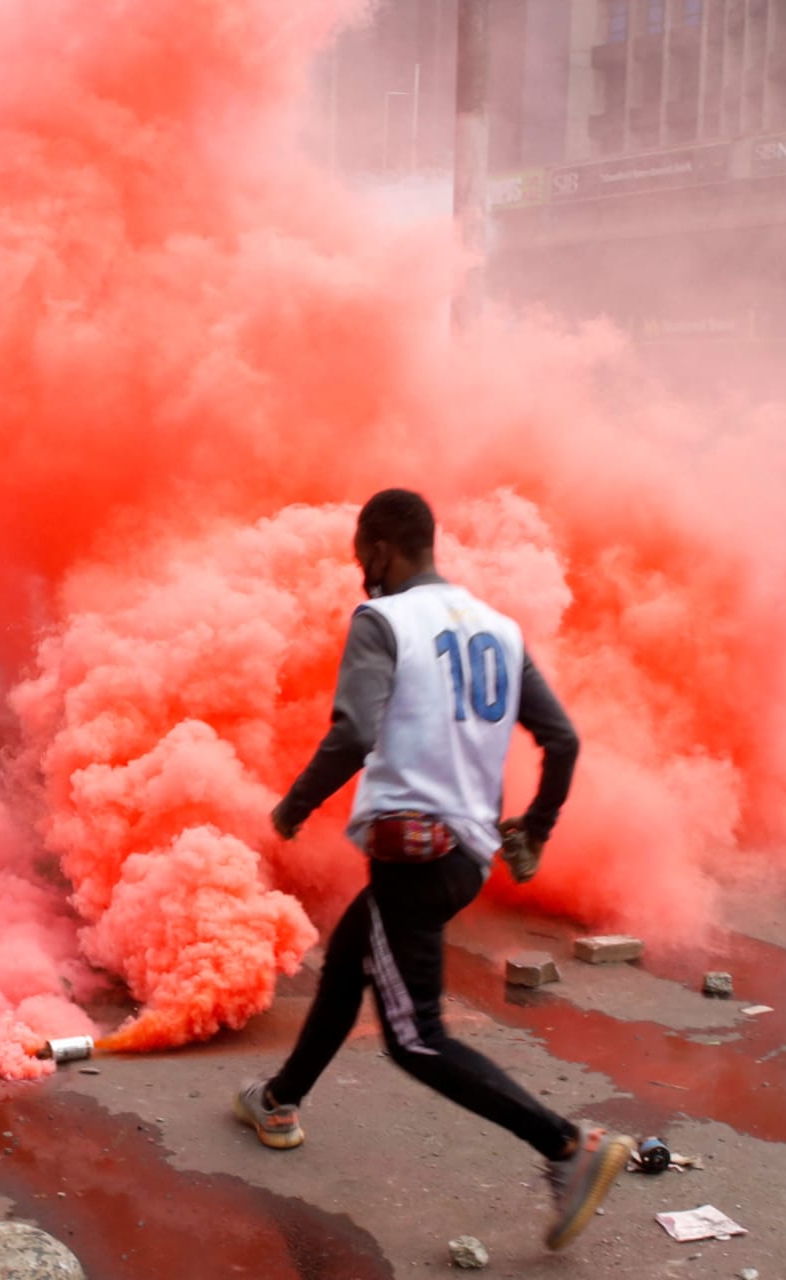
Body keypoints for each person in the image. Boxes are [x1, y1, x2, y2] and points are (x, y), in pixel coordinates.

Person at [231, 487, 630, 1253]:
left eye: (361, 560)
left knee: (416, 1039)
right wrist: (535, 828)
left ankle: (566, 1147)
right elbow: (564, 742)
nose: (361, 577)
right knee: (349, 961)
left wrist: (295, 805)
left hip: (417, 858)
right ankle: (278, 1100)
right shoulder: (500, 629)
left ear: (380, 549)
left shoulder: (383, 621)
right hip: (466, 854)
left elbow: (354, 730)